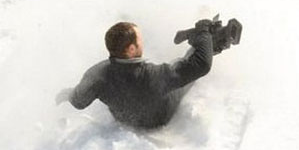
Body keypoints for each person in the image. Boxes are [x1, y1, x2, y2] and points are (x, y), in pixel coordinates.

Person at [56, 20, 214, 129]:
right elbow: (202, 65)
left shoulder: (98, 74)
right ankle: (209, 43)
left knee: (177, 71)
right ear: (132, 49)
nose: (142, 42)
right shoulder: (155, 74)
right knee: (184, 66)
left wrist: (68, 93)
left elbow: (79, 101)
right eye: (139, 39)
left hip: (127, 119)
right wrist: (204, 32)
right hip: (160, 116)